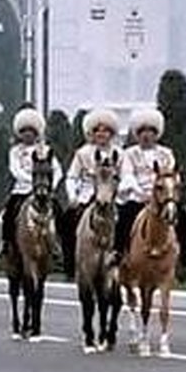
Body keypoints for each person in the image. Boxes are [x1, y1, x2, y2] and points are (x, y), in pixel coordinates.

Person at [61, 109, 122, 276]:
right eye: (98, 130)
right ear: (92, 133)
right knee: (67, 221)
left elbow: (125, 177)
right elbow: (72, 176)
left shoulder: (119, 154)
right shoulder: (82, 153)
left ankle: (121, 257)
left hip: (112, 197)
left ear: (111, 133)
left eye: (106, 130)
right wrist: (73, 196)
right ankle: (69, 261)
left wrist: (120, 194)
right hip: (87, 196)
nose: (102, 134)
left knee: (125, 223)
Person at [0, 107, 63, 256]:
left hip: (45, 190)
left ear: (36, 132)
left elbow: (57, 170)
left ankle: (57, 244)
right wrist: (32, 181)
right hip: (22, 190)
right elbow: (15, 170)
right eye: (24, 131)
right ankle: (6, 242)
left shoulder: (46, 150)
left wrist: (50, 185)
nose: (27, 134)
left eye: (31, 131)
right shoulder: (15, 151)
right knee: (7, 214)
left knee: (59, 212)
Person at [116, 108, 177, 258]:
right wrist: (141, 193)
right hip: (138, 197)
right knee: (125, 218)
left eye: (151, 131)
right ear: (137, 135)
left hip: (162, 198)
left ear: (156, 134)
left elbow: (172, 175)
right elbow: (127, 176)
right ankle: (119, 252)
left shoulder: (166, 153)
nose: (146, 135)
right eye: (142, 131)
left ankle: (183, 256)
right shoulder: (129, 153)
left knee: (182, 219)